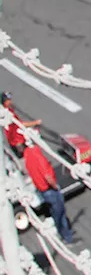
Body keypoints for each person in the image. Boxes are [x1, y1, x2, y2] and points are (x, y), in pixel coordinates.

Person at [2, 93, 74, 244]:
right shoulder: (36, 156)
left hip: (40, 187)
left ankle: (60, 229)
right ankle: (66, 236)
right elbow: (47, 175)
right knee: (59, 212)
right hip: (49, 190)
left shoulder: (29, 158)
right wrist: (55, 186)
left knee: (54, 211)